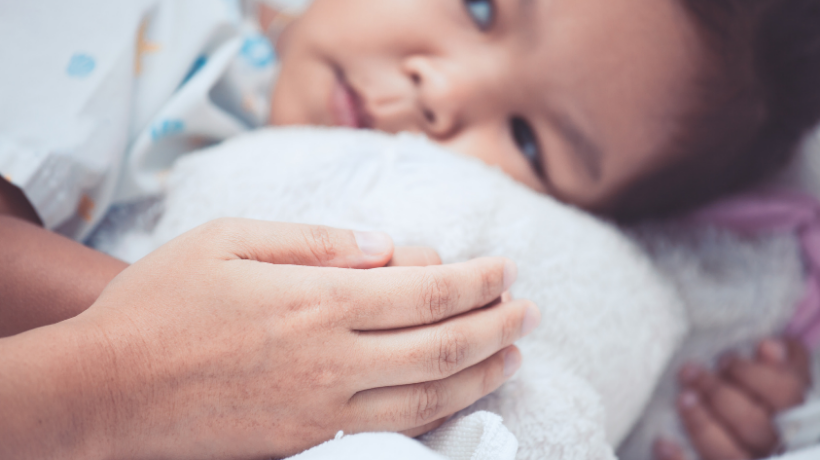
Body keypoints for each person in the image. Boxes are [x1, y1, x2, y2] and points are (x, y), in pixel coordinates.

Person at [1, 0, 819, 458]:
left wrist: (706, 415)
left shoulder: (456, 242)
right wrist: (246, 353)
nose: (440, 89)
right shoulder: (164, 33)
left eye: (529, 140)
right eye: (482, 7)